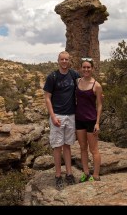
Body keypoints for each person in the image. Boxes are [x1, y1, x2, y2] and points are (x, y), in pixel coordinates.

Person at [43, 50, 81, 189]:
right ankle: (58, 175)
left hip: (71, 115)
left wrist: (97, 91)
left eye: (66, 59)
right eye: (62, 59)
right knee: (57, 146)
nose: (64, 61)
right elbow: (47, 97)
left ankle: (69, 173)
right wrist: (52, 116)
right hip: (57, 115)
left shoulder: (74, 75)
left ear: (69, 60)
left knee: (67, 146)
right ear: (58, 61)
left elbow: (83, 87)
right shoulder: (52, 76)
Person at [75, 56, 104, 182]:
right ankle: (86, 173)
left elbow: (100, 104)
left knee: (93, 149)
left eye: (88, 67)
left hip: (91, 120)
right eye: (84, 67)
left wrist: (97, 123)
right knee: (82, 147)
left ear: (92, 68)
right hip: (79, 119)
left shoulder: (96, 85)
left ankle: (96, 175)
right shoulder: (77, 81)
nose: (86, 69)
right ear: (81, 68)